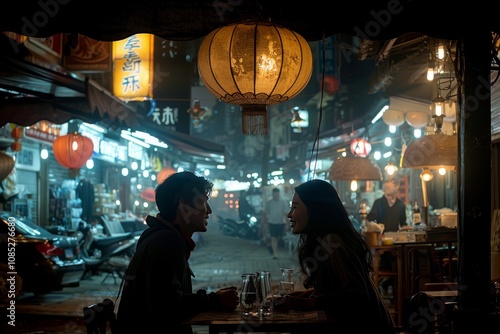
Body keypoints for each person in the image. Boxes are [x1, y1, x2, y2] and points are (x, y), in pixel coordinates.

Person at [116, 171, 239, 334]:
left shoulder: (163, 237)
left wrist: (214, 299)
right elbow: (167, 307)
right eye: (203, 203)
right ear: (184, 206)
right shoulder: (166, 241)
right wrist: (215, 300)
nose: (208, 211)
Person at [276, 179, 396, 333]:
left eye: (295, 207)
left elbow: (355, 296)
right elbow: (337, 289)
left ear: (315, 209)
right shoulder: (327, 240)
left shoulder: (332, 242)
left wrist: (307, 303)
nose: (289, 214)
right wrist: (307, 295)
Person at [263, 187, 289, 259]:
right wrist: (265, 223)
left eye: (277, 194)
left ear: (279, 194)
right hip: (272, 222)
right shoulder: (269, 203)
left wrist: (287, 223)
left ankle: (274, 249)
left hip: (281, 223)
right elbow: (265, 213)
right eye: (275, 194)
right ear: (272, 194)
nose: (276, 195)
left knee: (280, 238)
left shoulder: (283, 203)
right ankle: (275, 253)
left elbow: (285, 213)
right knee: (273, 238)